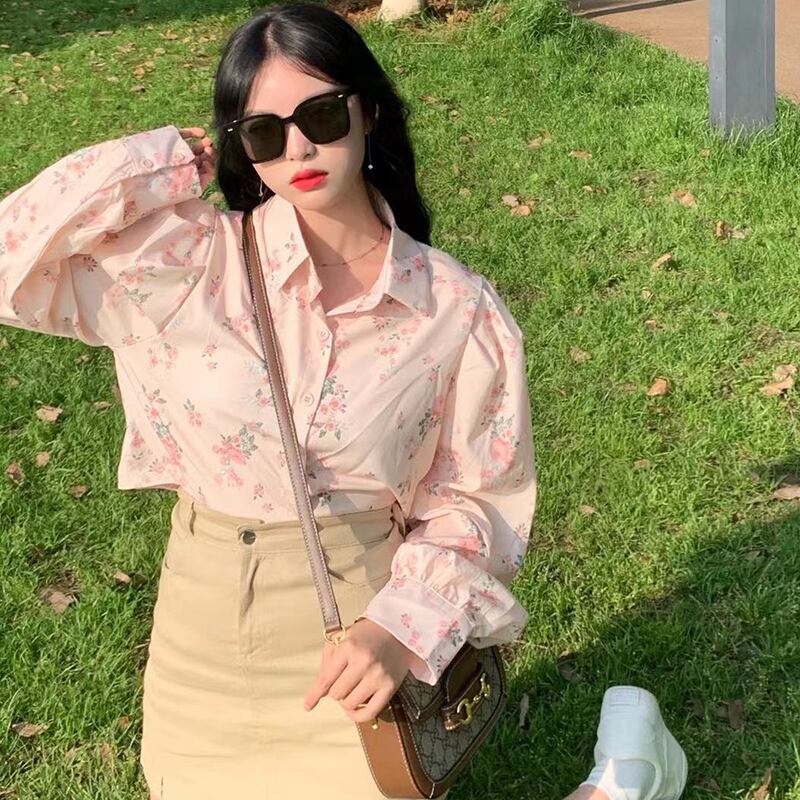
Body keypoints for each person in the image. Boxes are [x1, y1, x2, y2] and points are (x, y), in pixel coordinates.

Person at [0, 3, 687, 799]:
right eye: (264, 133)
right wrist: (162, 161)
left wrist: (399, 629)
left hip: (359, 634)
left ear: (369, 112)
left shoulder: (453, 309)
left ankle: (626, 777)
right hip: (201, 639)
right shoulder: (187, 266)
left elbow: (476, 502)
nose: (297, 148)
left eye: (321, 116)